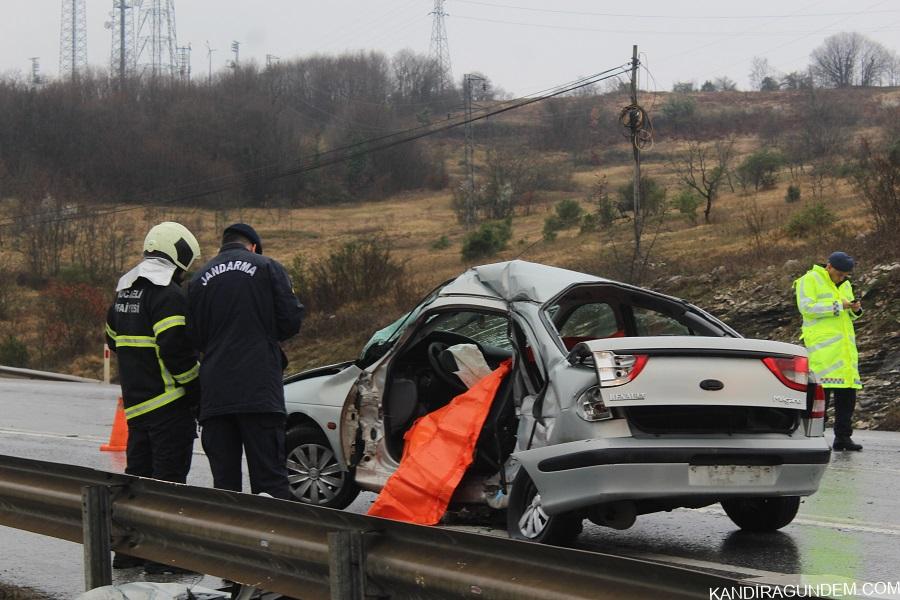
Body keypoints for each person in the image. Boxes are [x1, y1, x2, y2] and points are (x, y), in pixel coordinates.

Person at [105, 221, 202, 571]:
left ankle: (129, 552)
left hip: (137, 404)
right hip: (168, 403)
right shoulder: (169, 295)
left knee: (136, 479)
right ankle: (167, 558)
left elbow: (112, 339)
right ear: (179, 255)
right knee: (169, 482)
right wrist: (195, 389)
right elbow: (176, 350)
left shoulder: (125, 291)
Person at [187, 223, 304, 499]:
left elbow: (192, 336)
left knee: (225, 486)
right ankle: (273, 540)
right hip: (259, 391)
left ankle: (229, 540)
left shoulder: (199, 278)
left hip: (215, 394)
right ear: (252, 246)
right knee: (271, 483)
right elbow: (291, 321)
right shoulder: (267, 267)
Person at [794, 251, 863, 451]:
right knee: (820, 397)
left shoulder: (846, 285)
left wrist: (855, 309)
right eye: (839, 274)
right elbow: (806, 308)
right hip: (823, 350)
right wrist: (837, 305)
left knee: (847, 397)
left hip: (844, 352)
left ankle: (843, 437)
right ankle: (814, 437)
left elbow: (847, 316)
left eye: (845, 275)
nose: (842, 278)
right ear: (829, 266)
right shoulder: (809, 279)